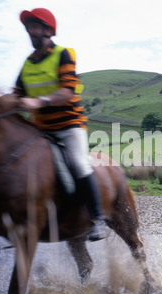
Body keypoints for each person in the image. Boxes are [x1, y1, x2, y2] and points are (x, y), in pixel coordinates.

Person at [14, 8, 106, 241]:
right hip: (40, 129)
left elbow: (67, 92)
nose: (30, 31)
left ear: (47, 30)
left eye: (34, 26)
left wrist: (37, 101)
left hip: (68, 126)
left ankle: (97, 219)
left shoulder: (64, 54)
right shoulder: (28, 64)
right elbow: (16, 95)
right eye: (28, 27)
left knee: (78, 162)